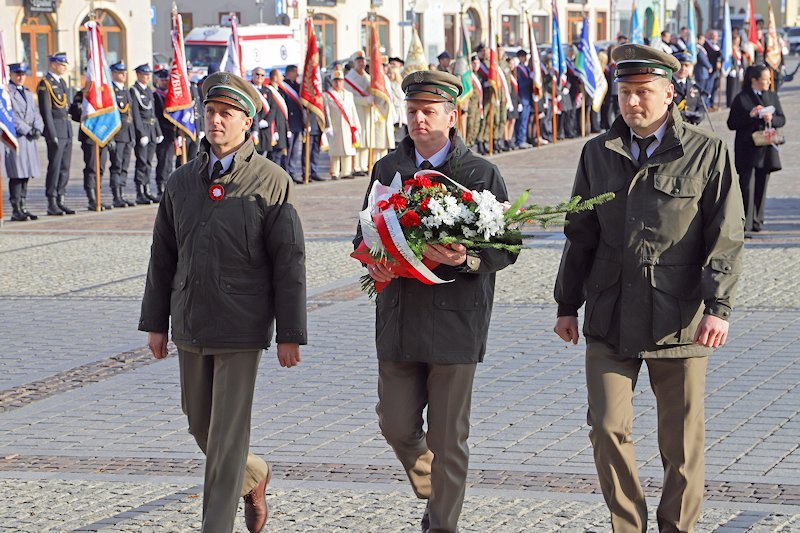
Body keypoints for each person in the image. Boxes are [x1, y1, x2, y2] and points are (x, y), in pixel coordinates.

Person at [554, 44, 744, 533]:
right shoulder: (597, 152)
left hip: (677, 318)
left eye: (643, 92)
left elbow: (725, 235)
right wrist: (566, 303)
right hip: (608, 312)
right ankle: (628, 526)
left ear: (669, 93)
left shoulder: (706, 150)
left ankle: (676, 528)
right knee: (607, 428)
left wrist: (718, 306)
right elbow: (581, 233)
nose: (632, 103)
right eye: (624, 93)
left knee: (681, 443)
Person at [139, 71, 307, 533]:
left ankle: (215, 527)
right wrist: (156, 322)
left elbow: (289, 262)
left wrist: (290, 333)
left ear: (247, 122)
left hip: (242, 326)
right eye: (210, 112)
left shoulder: (271, 181)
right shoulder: (180, 181)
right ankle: (255, 476)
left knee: (227, 438)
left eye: (226, 114)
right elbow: (163, 256)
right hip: (191, 318)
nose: (215, 121)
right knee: (201, 426)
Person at [354, 70, 518, 533]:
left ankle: (442, 523)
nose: (419, 119)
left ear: (452, 115)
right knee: (395, 424)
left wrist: (467, 257)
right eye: (412, 111)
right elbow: (364, 231)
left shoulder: (480, 173)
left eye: (429, 111)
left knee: (449, 438)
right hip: (399, 316)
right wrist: (375, 262)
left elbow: (506, 246)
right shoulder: (388, 169)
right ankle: (437, 483)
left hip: (455, 324)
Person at [727, 64, 785, 235]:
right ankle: (745, 221)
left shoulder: (772, 96)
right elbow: (732, 123)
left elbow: (782, 119)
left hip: (766, 149)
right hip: (747, 149)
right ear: (754, 80)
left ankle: (758, 220)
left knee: (762, 184)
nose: (768, 82)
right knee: (746, 185)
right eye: (765, 79)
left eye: (769, 79)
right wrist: (751, 115)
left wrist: (771, 118)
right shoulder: (741, 98)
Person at [37, 52, 75, 215]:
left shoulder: (62, 83)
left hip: (66, 130)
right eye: (61, 64)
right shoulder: (45, 84)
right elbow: (46, 112)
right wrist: (51, 134)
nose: (64, 66)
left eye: (65, 64)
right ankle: (52, 201)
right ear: (53, 64)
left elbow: (68, 107)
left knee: (65, 167)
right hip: (56, 131)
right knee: (55, 166)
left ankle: (61, 198)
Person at [4, 63, 43, 221]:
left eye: (23, 74)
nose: (20, 77)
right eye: (17, 74)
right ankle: (15, 208)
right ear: (11, 75)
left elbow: (35, 113)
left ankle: (23, 206)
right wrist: (27, 129)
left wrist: (38, 128)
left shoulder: (27, 92)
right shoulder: (7, 93)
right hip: (16, 138)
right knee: (17, 174)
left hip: (29, 140)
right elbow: (9, 116)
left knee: (26, 173)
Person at [70, 88, 112, 211]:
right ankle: (92, 198)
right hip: (89, 135)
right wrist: (80, 108)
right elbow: (75, 115)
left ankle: (99, 196)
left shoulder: (105, 91)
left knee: (101, 168)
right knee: (91, 167)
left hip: (103, 135)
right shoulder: (82, 94)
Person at [130, 64, 163, 204]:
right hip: (142, 128)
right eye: (145, 74)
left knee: (149, 162)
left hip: (151, 128)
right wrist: (141, 132)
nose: (147, 77)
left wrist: (157, 131)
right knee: (142, 161)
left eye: (149, 75)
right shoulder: (134, 90)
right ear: (138, 74)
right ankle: (140, 192)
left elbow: (153, 113)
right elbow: (136, 114)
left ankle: (147, 190)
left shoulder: (149, 91)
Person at [323, 66, 361, 180]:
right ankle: (334, 172)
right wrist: (327, 127)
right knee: (335, 151)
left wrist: (356, 126)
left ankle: (346, 171)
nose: (337, 83)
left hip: (348, 126)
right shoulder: (327, 95)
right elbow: (327, 112)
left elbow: (353, 111)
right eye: (335, 81)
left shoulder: (349, 94)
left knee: (348, 150)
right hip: (335, 127)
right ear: (332, 82)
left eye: (339, 81)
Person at [108, 62, 136, 207]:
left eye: (124, 72)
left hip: (127, 135)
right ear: (113, 73)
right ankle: (116, 195)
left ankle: (122, 193)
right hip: (117, 135)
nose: (124, 75)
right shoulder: (110, 91)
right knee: (117, 165)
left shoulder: (126, 91)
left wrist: (133, 136)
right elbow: (109, 116)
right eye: (120, 72)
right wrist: (110, 137)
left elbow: (130, 115)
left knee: (125, 166)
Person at [344, 50, 372, 176]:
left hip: (366, 112)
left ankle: (364, 164)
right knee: (357, 139)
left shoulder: (368, 77)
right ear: (354, 63)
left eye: (363, 61)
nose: (361, 63)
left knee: (366, 139)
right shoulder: (349, 79)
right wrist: (365, 100)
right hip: (356, 111)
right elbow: (349, 98)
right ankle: (356, 166)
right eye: (358, 61)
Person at [153, 68, 176, 201]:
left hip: (171, 133)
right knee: (162, 161)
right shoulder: (156, 96)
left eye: (167, 80)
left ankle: (168, 186)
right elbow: (156, 116)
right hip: (161, 132)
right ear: (157, 81)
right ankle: (160, 187)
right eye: (162, 80)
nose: (165, 83)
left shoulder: (171, 96)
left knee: (169, 162)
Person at [279, 65, 305, 182]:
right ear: (289, 72)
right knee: (288, 151)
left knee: (295, 150)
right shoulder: (283, 87)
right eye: (295, 72)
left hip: (297, 122)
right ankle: (286, 173)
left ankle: (293, 172)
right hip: (288, 123)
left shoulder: (297, 86)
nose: (297, 74)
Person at [264, 69, 290, 170]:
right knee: (273, 157)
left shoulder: (281, 92)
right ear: (275, 77)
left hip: (282, 127)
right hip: (273, 128)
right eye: (280, 76)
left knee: (279, 154)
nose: (282, 78)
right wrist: (274, 130)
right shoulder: (268, 91)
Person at [672, 52, 704, 125]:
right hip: (672, 126)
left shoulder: (693, 85)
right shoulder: (667, 85)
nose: (683, 69)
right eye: (680, 65)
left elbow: (700, 106)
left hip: (690, 127)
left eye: (686, 65)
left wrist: (700, 115)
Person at [515, 49, 534, 149]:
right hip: (522, 97)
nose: (525, 58)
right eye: (523, 56)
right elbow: (520, 84)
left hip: (528, 97)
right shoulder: (518, 69)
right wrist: (530, 80)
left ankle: (523, 138)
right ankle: (520, 140)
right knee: (521, 120)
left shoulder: (526, 68)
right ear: (520, 57)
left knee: (525, 120)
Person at [726, 34, 746, 108]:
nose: (738, 42)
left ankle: (735, 101)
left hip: (738, 69)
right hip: (732, 69)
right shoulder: (730, 49)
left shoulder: (739, 49)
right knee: (732, 87)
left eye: (739, 40)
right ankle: (730, 102)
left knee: (737, 86)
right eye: (736, 40)